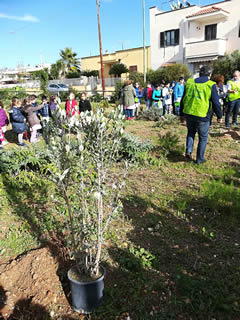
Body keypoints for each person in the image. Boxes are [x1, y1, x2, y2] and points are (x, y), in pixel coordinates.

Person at [180, 65, 222, 165]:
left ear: (199, 73)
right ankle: (199, 159)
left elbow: (183, 99)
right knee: (203, 138)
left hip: (189, 113)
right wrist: (219, 116)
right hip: (202, 116)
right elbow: (216, 102)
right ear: (209, 74)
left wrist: (181, 114)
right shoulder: (210, 85)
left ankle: (188, 152)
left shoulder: (189, 82)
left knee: (190, 133)